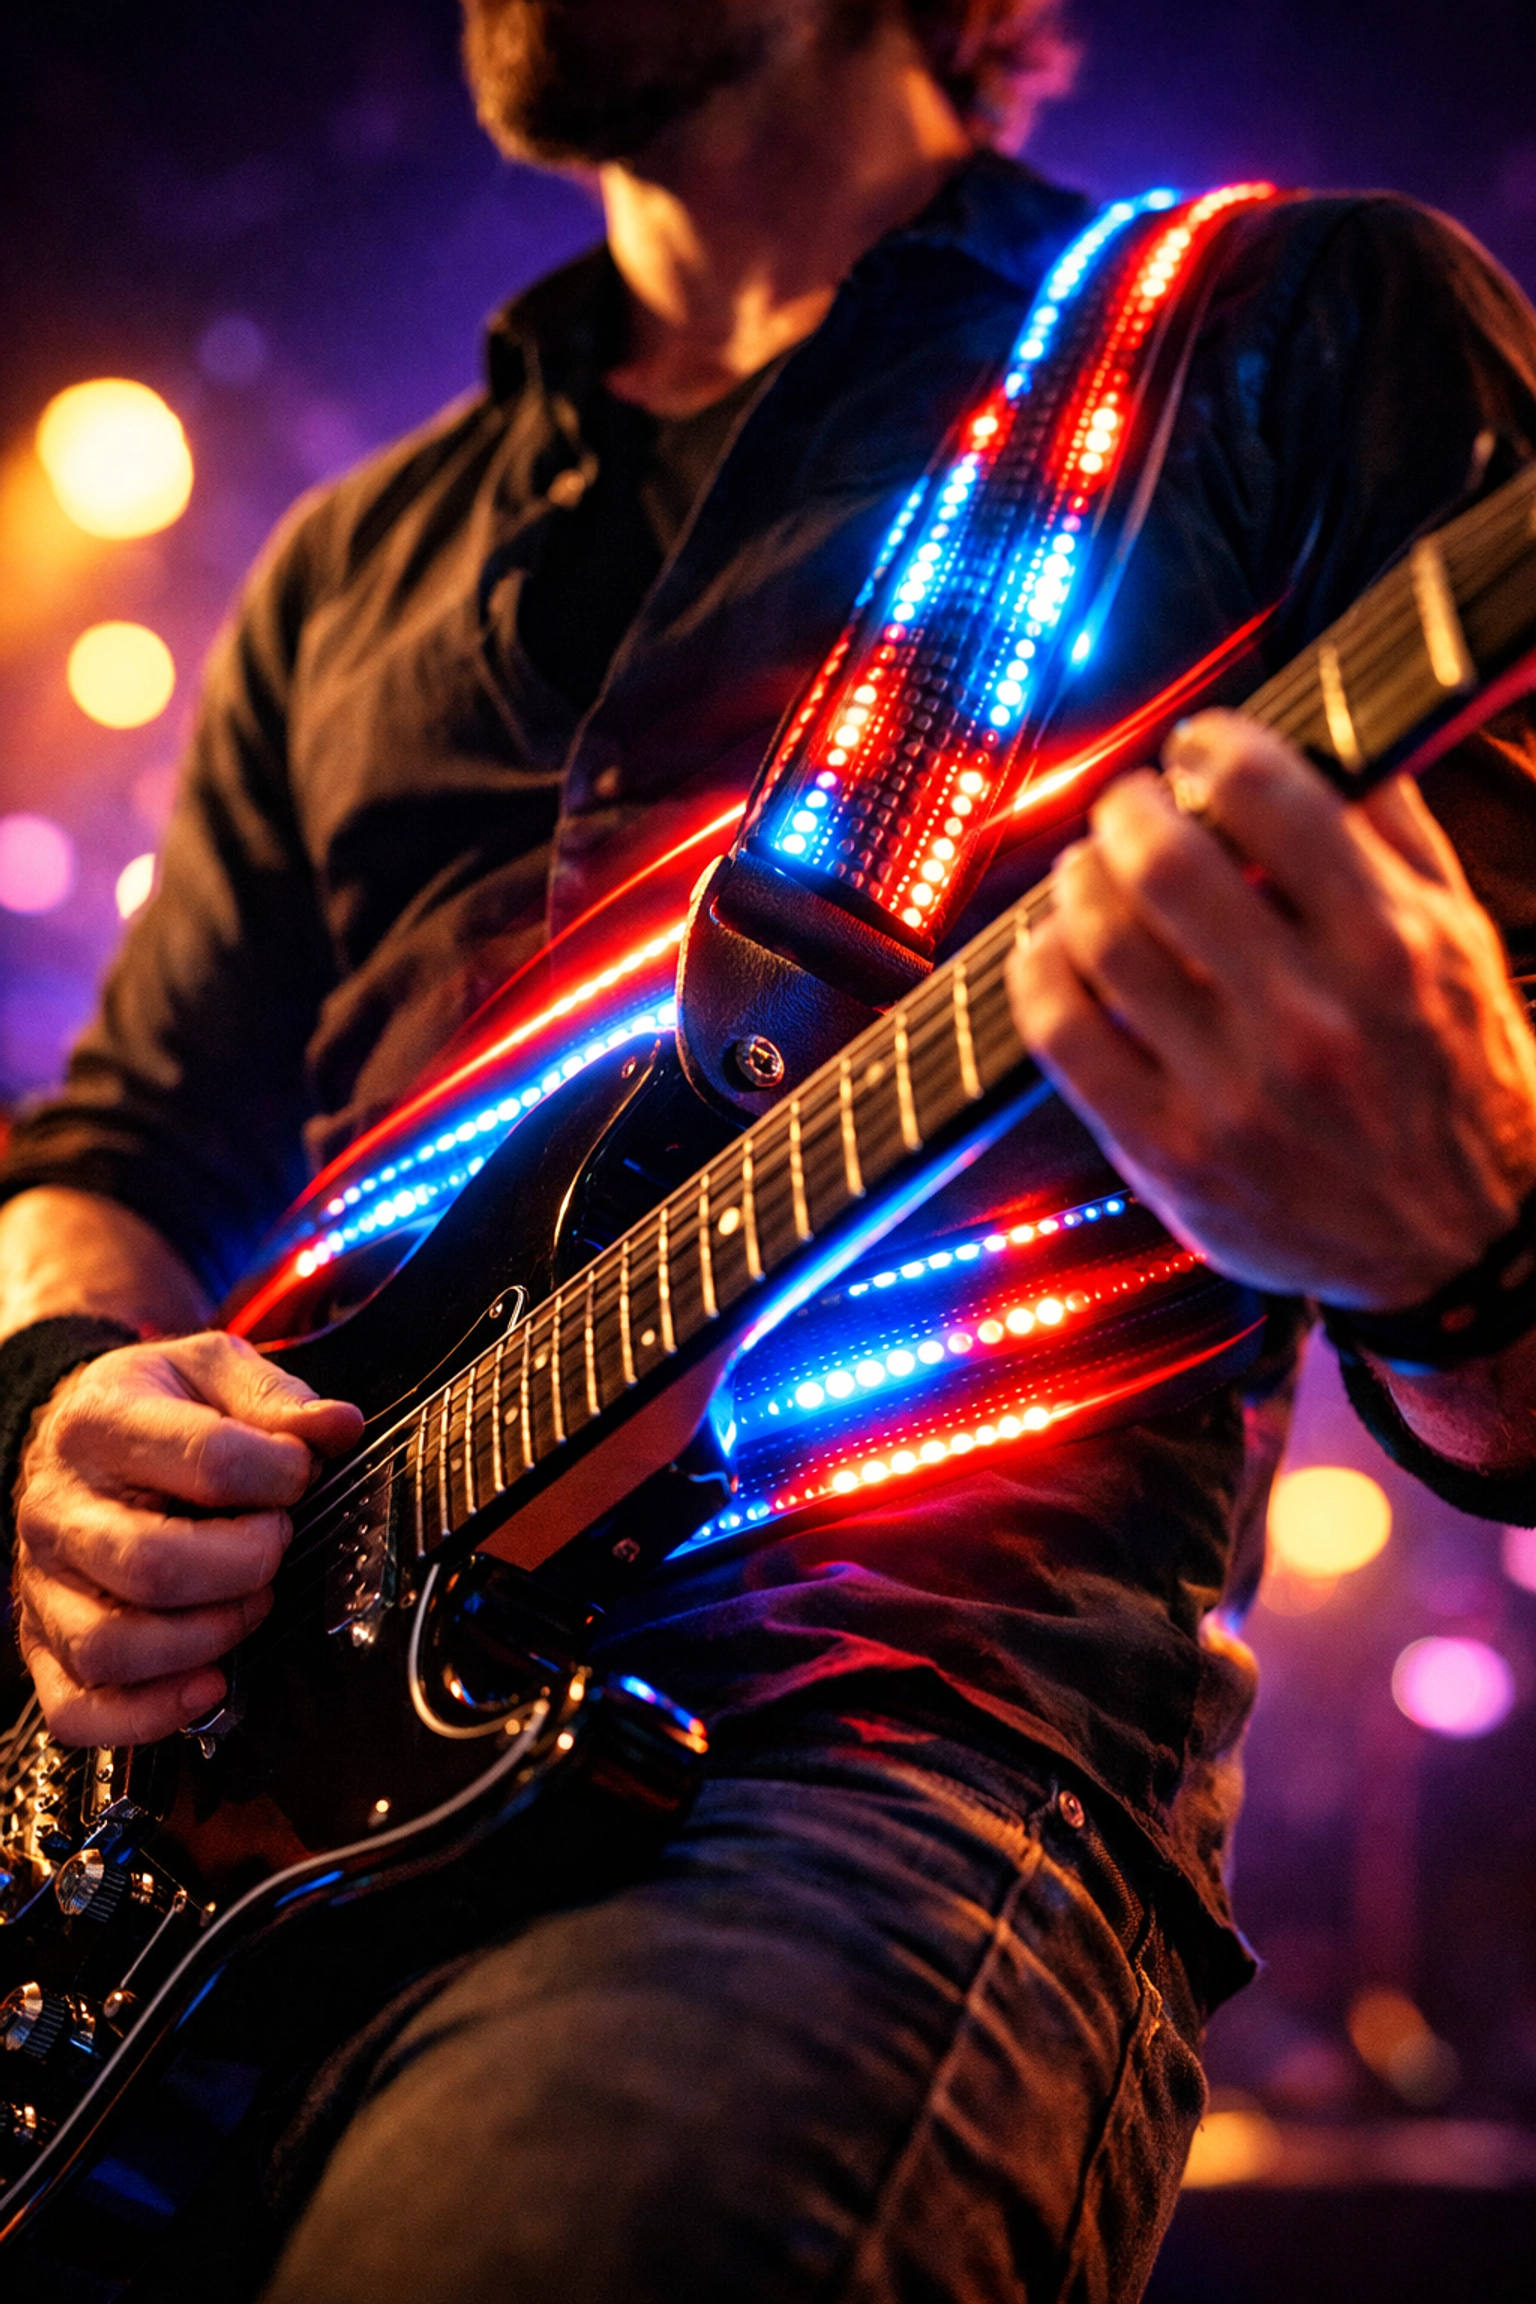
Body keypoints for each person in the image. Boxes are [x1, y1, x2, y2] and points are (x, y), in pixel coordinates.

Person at [5, 2, 1536, 2296]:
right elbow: (120, 1144)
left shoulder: (1271, 338)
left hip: (871, 1763)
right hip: (202, 1836)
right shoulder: (349, 571)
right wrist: (65, 1419)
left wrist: (1470, 1249)